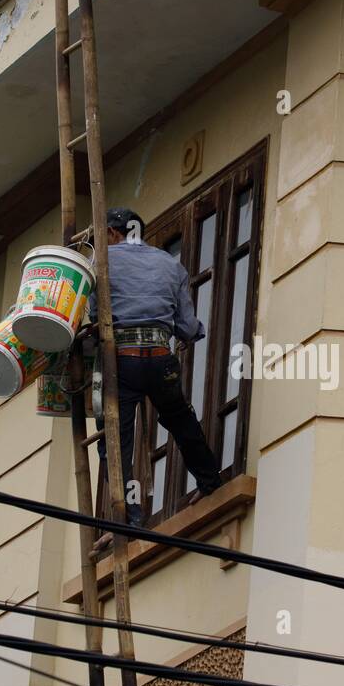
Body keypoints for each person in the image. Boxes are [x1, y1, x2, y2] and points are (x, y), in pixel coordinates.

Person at [87, 207, 221, 547]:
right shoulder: (170, 264)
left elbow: (91, 316)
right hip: (161, 360)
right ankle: (209, 481)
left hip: (123, 362)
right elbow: (188, 327)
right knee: (180, 419)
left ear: (114, 234)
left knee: (117, 442)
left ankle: (131, 518)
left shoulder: (100, 264)